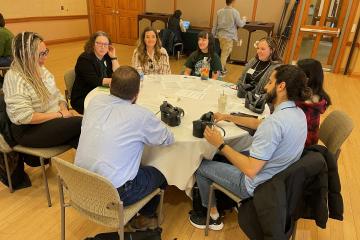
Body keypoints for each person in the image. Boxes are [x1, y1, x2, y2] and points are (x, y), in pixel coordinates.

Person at [189, 65, 311, 231]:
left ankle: (212, 216)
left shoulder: (274, 124)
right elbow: (258, 123)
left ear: (281, 86)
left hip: (256, 185)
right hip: (278, 179)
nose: (266, 87)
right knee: (227, 154)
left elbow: (251, 169)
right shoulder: (297, 114)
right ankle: (223, 199)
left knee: (201, 166)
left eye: (270, 82)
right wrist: (226, 116)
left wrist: (220, 144)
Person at [75, 66, 174, 229]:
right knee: (163, 168)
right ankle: (146, 217)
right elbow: (168, 139)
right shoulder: (140, 115)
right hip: (116, 192)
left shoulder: (94, 101)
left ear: (111, 86)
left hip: (80, 182)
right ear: (136, 95)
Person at [2, 32, 82, 149]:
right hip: (29, 129)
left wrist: (64, 110)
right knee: (82, 124)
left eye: (46, 52)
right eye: (41, 54)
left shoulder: (40, 69)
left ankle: (95, 165)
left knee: (83, 136)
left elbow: (58, 95)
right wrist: (59, 115)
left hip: (51, 119)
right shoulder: (14, 78)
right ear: (27, 55)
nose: (45, 57)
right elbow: (25, 117)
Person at [71, 31, 120, 114]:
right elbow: (95, 81)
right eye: (99, 43)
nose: (102, 47)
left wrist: (113, 57)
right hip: (85, 96)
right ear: (93, 44)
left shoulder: (107, 56)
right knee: (111, 108)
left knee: (119, 103)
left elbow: (118, 73)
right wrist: (116, 81)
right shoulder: (85, 59)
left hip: (102, 92)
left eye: (105, 44)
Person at [297, 58, 332, 147]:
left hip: (303, 145)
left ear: (307, 79)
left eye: (297, 73)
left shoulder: (308, 102)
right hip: (306, 139)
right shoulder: (314, 93)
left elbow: (294, 127)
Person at [212, 0, 246, 74]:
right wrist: (244, 19)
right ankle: (220, 71)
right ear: (233, 2)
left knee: (224, 53)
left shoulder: (219, 11)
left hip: (220, 36)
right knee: (225, 54)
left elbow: (215, 25)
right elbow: (240, 24)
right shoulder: (235, 12)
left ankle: (222, 68)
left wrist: (212, 35)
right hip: (229, 37)